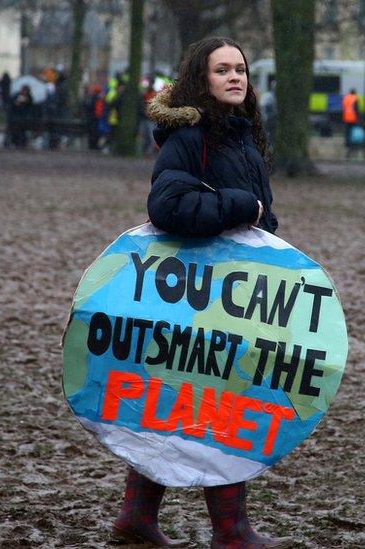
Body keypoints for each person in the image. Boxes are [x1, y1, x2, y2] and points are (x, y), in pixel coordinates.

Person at [113, 37, 285, 549]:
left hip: (230, 293)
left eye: (241, 70)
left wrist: (259, 219)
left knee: (181, 401)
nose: (235, 78)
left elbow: (256, 215)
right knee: (220, 401)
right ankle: (230, 531)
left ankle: (135, 517)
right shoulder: (190, 138)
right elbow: (168, 207)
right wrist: (239, 205)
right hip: (193, 295)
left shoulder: (239, 136)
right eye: (222, 70)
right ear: (200, 80)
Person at [341, 87, 360, 156]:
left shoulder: (345, 98)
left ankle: (347, 145)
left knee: (347, 132)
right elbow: (356, 109)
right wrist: (358, 118)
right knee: (352, 133)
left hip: (346, 117)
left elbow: (343, 108)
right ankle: (352, 146)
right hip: (353, 118)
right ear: (354, 92)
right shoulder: (355, 98)